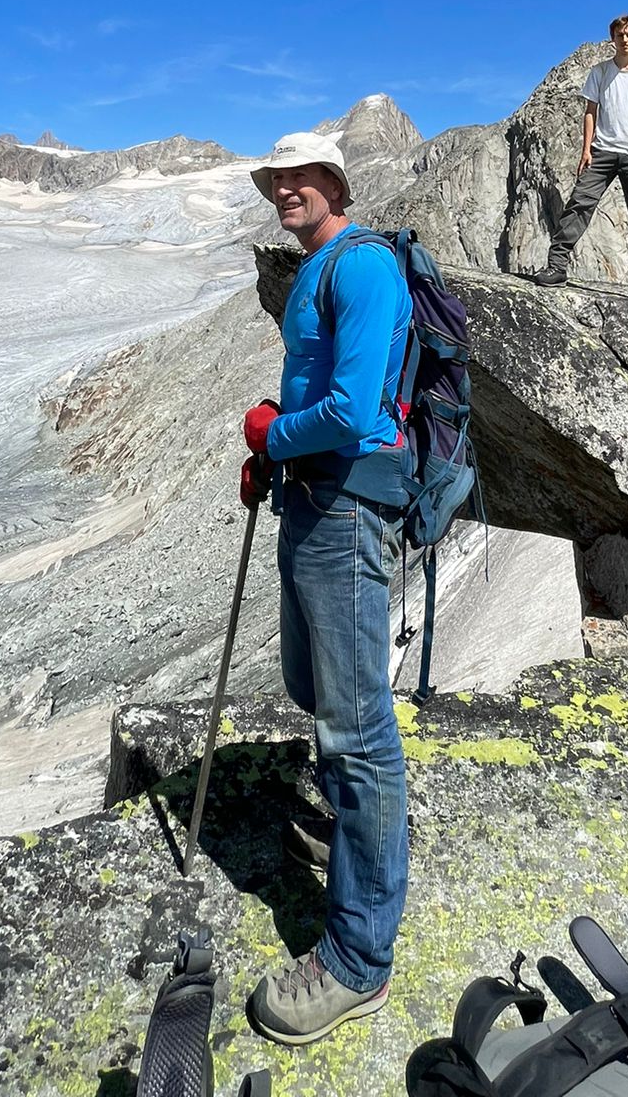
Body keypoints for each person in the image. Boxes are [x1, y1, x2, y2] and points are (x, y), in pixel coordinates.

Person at [240, 130, 413, 1047]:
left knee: (356, 729)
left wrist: (271, 435)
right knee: (313, 690)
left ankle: (358, 956)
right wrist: (275, 454)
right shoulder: (317, 268)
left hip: (345, 513)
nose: (285, 192)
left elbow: (350, 409)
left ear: (334, 184)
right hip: (311, 504)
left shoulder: (364, 266)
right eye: (277, 181)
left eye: (301, 178)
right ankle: (350, 835)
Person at [531, 13, 628, 301]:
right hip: (603, 151)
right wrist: (586, 149)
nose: (625, 39)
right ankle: (557, 267)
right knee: (580, 203)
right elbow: (590, 111)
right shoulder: (600, 72)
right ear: (612, 38)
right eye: (620, 35)